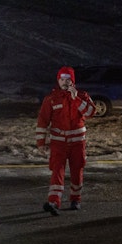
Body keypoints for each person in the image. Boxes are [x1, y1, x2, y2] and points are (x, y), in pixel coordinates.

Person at [35, 66, 96, 216]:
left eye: (68, 79)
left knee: (77, 170)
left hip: (77, 143)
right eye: (62, 79)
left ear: (73, 81)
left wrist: (76, 99)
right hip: (58, 143)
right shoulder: (51, 99)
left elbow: (90, 112)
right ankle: (54, 202)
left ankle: (76, 199)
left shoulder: (82, 95)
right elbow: (43, 121)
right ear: (58, 80)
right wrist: (41, 142)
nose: (64, 82)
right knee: (57, 171)